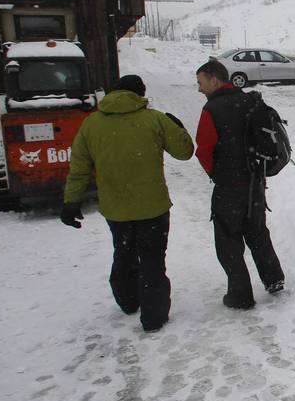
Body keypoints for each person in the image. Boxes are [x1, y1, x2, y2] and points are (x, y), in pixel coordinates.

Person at [61, 74, 195, 332]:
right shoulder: (153, 119)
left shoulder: (92, 124)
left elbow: (79, 168)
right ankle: (153, 317)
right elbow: (185, 152)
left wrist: (71, 201)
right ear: (139, 94)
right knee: (152, 259)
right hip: (152, 207)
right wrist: (178, 127)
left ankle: (129, 301)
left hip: (116, 209)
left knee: (123, 253)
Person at [194, 59, 285, 309]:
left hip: (228, 187)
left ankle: (240, 294)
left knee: (228, 241)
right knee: (257, 232)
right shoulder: (249, 101)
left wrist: (217, 173)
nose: (199, 88)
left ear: (214, 80)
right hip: (255, 181)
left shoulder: (212, 109)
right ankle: (274, 278)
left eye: (200, 82)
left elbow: (203, 149)